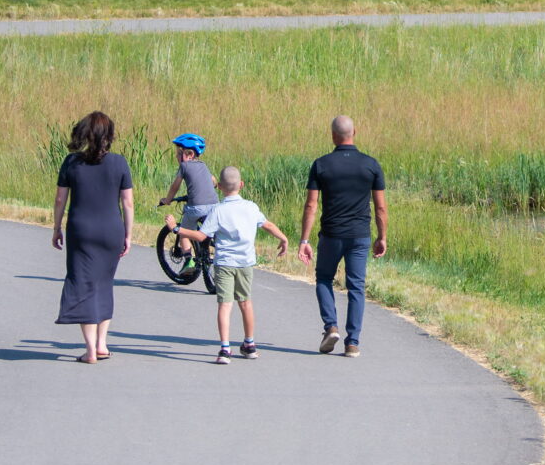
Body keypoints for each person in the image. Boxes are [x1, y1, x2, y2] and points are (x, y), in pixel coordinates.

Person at [297, 114, 386, 356]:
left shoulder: (322, 164)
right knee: (356, 286)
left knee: (324, 278)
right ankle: (353, 342)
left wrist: (304, 240)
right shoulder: (371, 165)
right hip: (360, 235)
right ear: (354, 132)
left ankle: (331, 326)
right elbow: (380, 207)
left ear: (333, 135)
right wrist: (382, 237)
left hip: (332, 234)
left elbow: (311, 205)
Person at [51, 110, 134, 363]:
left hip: (81, 230)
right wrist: (128, 234)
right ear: (108, 135)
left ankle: (89, 350)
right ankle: (102, 344)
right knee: (104, 283)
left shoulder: (71, 162)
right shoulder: (119, 163)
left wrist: (56, 228)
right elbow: (128, 203)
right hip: (111, 229)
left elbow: (60, 199)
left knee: (82, 283)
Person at [202, 165, 291, 362]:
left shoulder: (218, 210)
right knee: (245, 302)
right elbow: (267, 224)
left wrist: (177, 230)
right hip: (245, 263)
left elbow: (203, 235)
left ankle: (225, 349)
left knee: (225, 305)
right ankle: (249, 344)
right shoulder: (251, 207)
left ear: (220, 187)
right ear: (241, 185)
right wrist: (283, 238)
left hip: (225, 262)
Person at [160, 133, 219, 246]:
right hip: (214, 206)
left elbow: (175, 186)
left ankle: (188, 260)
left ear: (189, 155)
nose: (176, 157)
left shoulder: (184, 166)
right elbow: (214, 181)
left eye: (178, 154)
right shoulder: (203, 165)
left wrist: (167, 200)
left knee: (184, 232)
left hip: (196, 207)